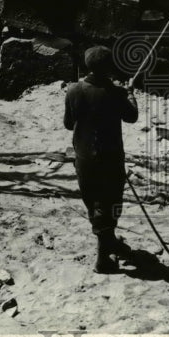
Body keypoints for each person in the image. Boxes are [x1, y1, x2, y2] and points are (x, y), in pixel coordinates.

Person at [64, 45, 139, 273]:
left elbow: (68, 124)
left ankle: (109, 240)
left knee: (94, 202)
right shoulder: (116, 93)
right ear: (108, 68)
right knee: (111, 202)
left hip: (84, 159)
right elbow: (132, 117)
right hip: (111, 160)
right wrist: (130, 94)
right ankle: (103, 258)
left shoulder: (74, 90)